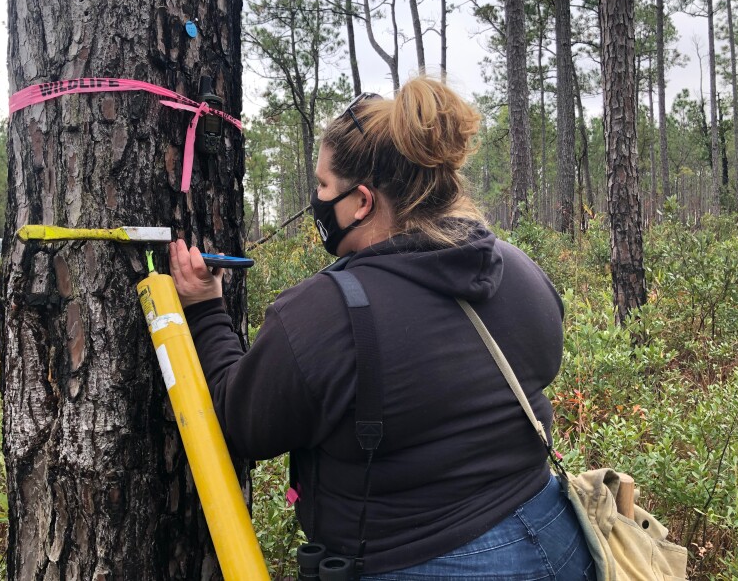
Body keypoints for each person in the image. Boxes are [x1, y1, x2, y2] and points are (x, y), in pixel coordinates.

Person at [168, 77, 596, 579]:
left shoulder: (322, 315)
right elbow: (541, 363)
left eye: (324, 186)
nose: (317, 199)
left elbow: (242, 425)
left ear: (362, 202)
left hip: (424, 561)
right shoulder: (518, 269)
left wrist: (203, 310)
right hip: (559, 539)